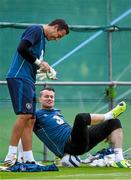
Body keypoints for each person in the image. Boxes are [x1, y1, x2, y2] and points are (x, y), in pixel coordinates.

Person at [4, 19, 69, 166]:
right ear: (55, 27)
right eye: (59, 35)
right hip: (19, 76)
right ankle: (11, 155)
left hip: (28, 79)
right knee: (25, 115)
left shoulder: (42, 41)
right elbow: (22, 48)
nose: (57, 39)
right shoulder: (35, 30)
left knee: (31, 119)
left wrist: (45, 69)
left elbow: (31, 59)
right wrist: (39, 63)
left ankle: (29, 159)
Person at [27, 87, 129, 168]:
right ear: (40, 99)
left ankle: (119, 160)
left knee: (114, 123)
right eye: (46, 96)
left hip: (80, 141)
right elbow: (26, 132)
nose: (49, 98)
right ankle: (109, 115)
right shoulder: (36, 115)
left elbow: (57, 131)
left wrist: (101, 130)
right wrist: (26, 156)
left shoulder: (56, 111)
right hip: (70, 146)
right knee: (81, 118)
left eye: (51, 97)